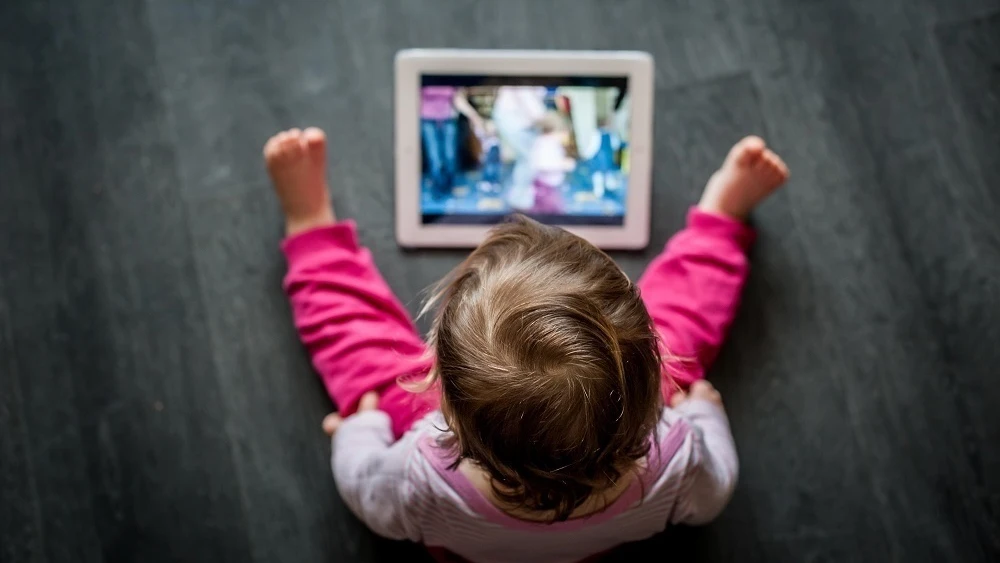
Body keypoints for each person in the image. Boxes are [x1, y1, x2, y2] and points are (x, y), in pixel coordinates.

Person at [263, 127, 789, 563]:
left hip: (466, 532)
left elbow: (364, 489)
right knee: (684, 315)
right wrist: (701, 414)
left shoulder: (418, 479)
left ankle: (311, 226)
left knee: (369, 365)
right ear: (656, 371)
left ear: (440, 395)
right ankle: (720, 222)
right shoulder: (677, 460)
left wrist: (360, 429)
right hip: (607, 533)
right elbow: (714, 493)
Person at [420, 86, 483, 198]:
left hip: (448, 119)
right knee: (435, 156)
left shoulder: (451, 81)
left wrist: (475, 117)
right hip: (427, 120)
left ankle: (448, 187)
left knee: (450, 156)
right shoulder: (426, 80)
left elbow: (458, 100)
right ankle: (438, 189)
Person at [491, 86, 547, 209]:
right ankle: (518, 201)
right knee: (527, 159)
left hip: (521, 122)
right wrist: (540, 117)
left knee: (520, 160)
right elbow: (525, 97)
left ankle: (515, 199)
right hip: (514, 120)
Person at [529, 112, 575, 214]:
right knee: (551, 214)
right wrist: (562, 164)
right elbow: (541, 164)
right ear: (557, 130)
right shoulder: (544, 143)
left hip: (551, 187)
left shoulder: (551, 143)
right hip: (545, 188)